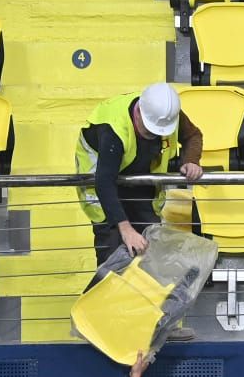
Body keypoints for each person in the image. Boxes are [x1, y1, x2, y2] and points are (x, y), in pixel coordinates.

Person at [76, 82, 205, 340]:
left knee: (154, 254)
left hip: (141, 187)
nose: (154, 135)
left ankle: (159, 326)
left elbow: (193, 135)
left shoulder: (168, 113)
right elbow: (104, 182)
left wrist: (191, 160)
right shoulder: (113, 128)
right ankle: (99, 329)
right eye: (148, 130)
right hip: (106, 190)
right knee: (113, 256)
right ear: (138, 115)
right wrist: (126, 230)